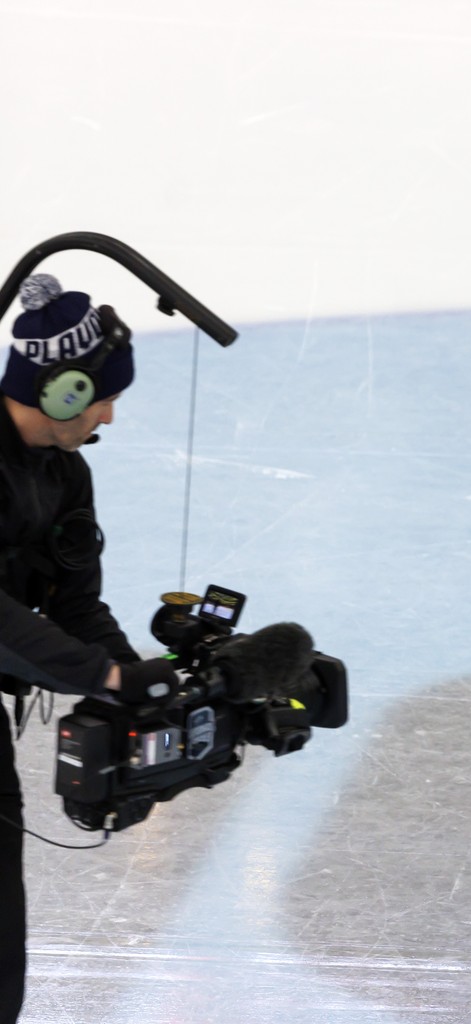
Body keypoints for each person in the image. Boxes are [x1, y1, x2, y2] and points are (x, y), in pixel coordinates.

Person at [0, 274, 179, 1022]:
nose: (109, 414)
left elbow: (74, 601)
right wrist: (98, 672)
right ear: (63, 390)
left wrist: (136, 677)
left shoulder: (66, 474)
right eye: (102, 397)